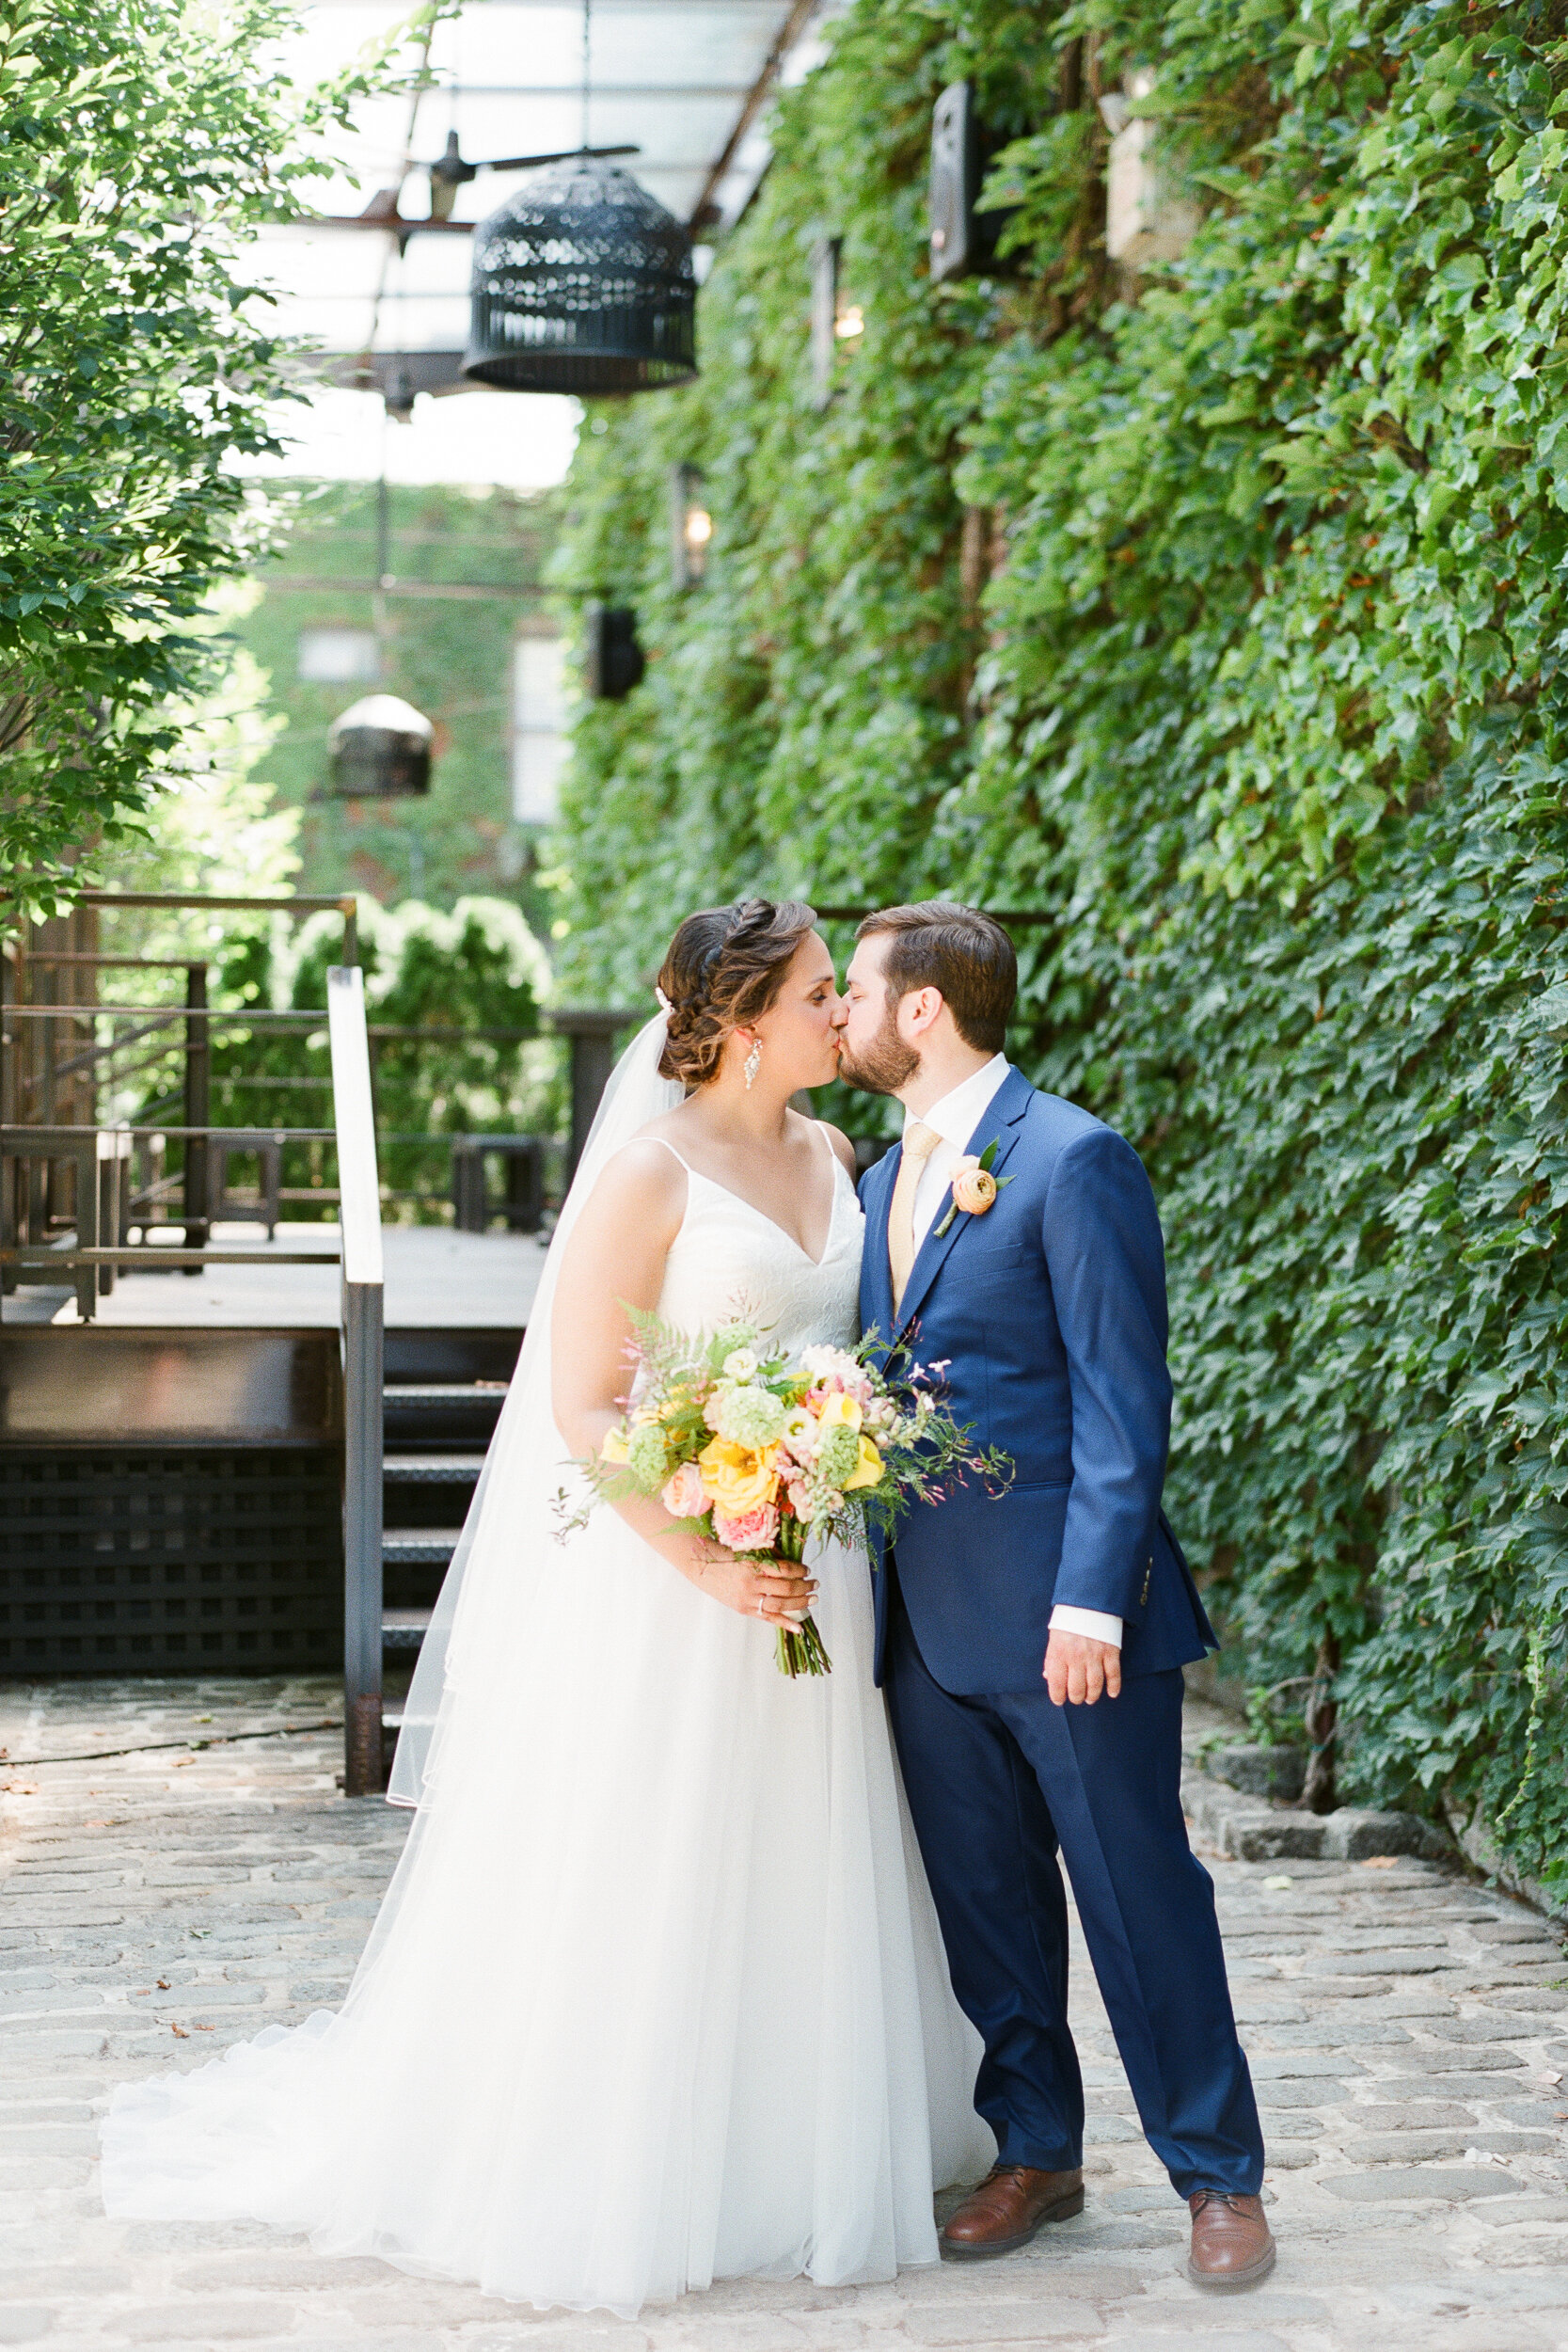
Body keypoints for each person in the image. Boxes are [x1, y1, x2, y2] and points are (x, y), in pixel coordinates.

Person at [99, 898, 991, 2319]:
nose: (845, 1014)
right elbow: (583, 1405)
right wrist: (702, 1554)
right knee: (664, 1853)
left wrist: (835, 1450)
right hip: (682, 1583)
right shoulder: (649, 1175)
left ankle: (810, 2128)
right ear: (747, 1021)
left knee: (808, 1846)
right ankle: (646, 2152)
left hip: (819, 1569)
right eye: (824, 993)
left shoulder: (835, 1154)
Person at [835, 900, 1275, 2293]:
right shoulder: (869, 1181)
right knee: (987, 1904)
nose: (840, 1013)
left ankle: (1219, 2176)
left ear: (924, 1008)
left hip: (1069, 1622)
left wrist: (1091, 1603)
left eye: (856, 990)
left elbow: (1122, 1404)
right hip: (924, 1620)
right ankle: (1038, 2150)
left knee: (1140, 1894)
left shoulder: (1073, 1159)